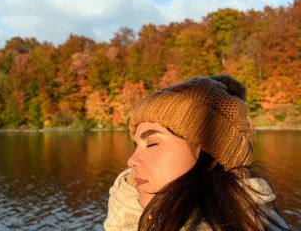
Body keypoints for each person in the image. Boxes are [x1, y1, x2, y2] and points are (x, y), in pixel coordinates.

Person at [104, 75, 290, 231]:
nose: (131, 161)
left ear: (211, 157)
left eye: (152, 144)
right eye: (136, 145)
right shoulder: (125, 205)